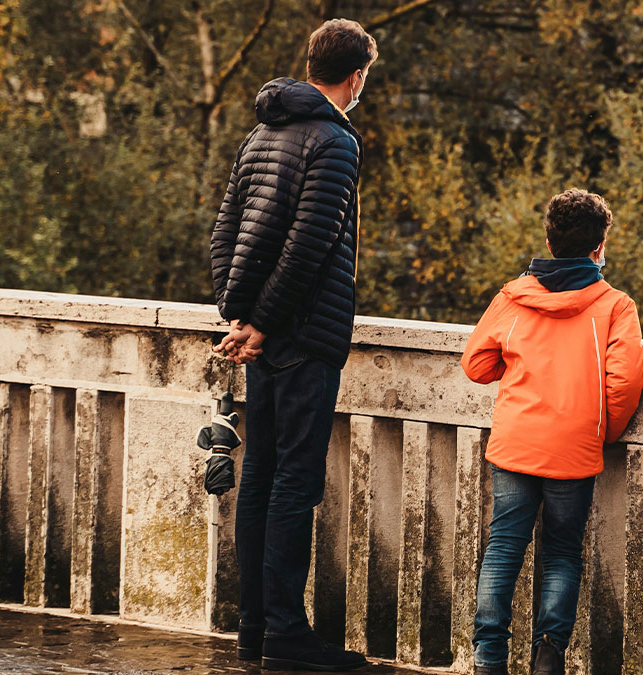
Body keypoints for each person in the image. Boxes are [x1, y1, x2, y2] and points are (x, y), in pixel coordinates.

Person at [209, 18, 376, 672]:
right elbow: (310, 243)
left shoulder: (262, 131)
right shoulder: (335, 140)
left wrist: (240, 315)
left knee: (260, 476)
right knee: (293, 483)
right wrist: (262, 322)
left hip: (268, 334)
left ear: (312, 64)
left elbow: (225, 229)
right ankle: (285, 632)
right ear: (356, 75)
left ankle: (255, 629)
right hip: (305, 334)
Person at [461, 189, 643, 675]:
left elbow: (476, 364)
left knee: (504, 546)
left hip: (516, 441)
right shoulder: (615, 305)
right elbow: (625, 383)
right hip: (573, 447)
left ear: (549, 240)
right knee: (562, 552)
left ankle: (488, 658)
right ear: (600, 246)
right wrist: (603, 432)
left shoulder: (513, 296)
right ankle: (548, 657)